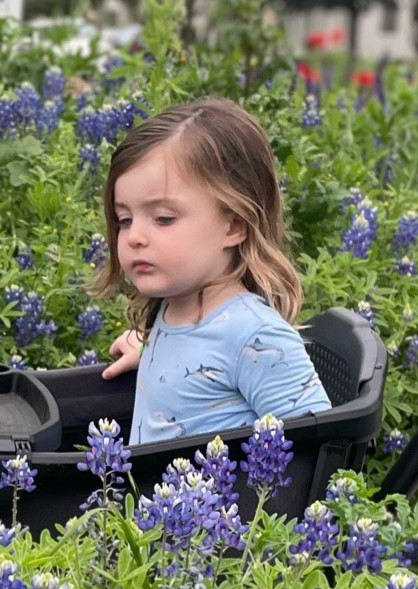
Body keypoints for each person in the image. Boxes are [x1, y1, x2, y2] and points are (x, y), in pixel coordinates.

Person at [93, 97, 331, 445]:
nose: (134, 237)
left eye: (163, 218)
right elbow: (203, 356)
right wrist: (148, 350)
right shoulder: (176, 307)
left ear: (234, 225)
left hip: (216, 499)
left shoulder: (256, 335)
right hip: (154, 497)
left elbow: (320, 446)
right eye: (124, 219)